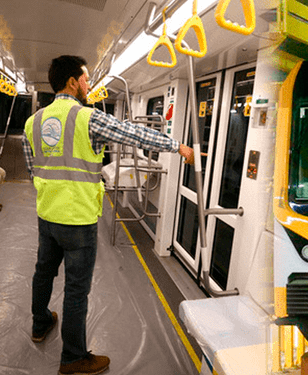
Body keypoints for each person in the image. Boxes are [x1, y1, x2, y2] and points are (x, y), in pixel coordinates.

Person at [22, 55, 195, 375]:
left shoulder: (33, 122)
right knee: (76, 289)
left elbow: (33, 170)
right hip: (78, 218)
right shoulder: (87, 117)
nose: (89, 85)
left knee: (43, 272)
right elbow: (133, 134)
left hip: (46, 214)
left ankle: (39, 323)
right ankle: (73, 358)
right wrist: (178, 146)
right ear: (73, 82)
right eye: (86, 79)